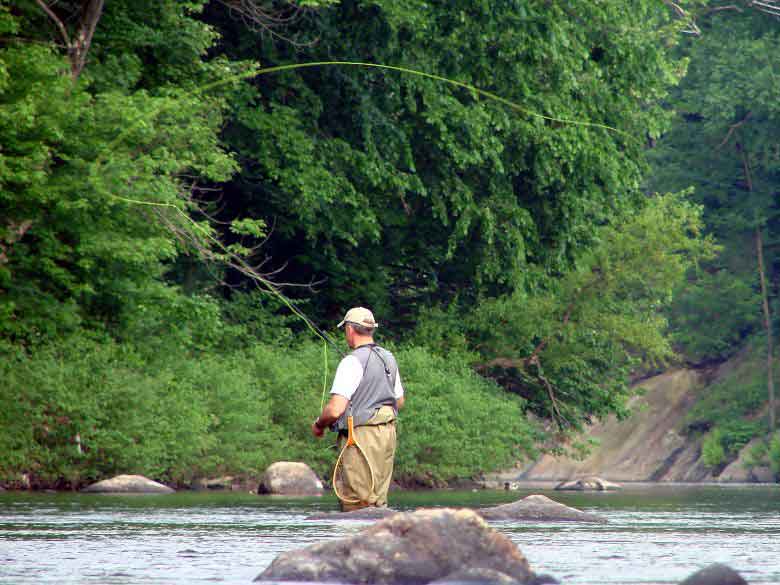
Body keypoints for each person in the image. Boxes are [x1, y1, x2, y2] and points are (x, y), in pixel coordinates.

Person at [311, 306, 405, 511]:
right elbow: (399, 401)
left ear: (350, 330)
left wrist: (319, 425)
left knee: (356, 501)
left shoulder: (351, 362)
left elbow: (335, 410)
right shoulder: (389, 358)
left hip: (361, 436)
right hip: (388, 434)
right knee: (378, 500)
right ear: (371, 330)